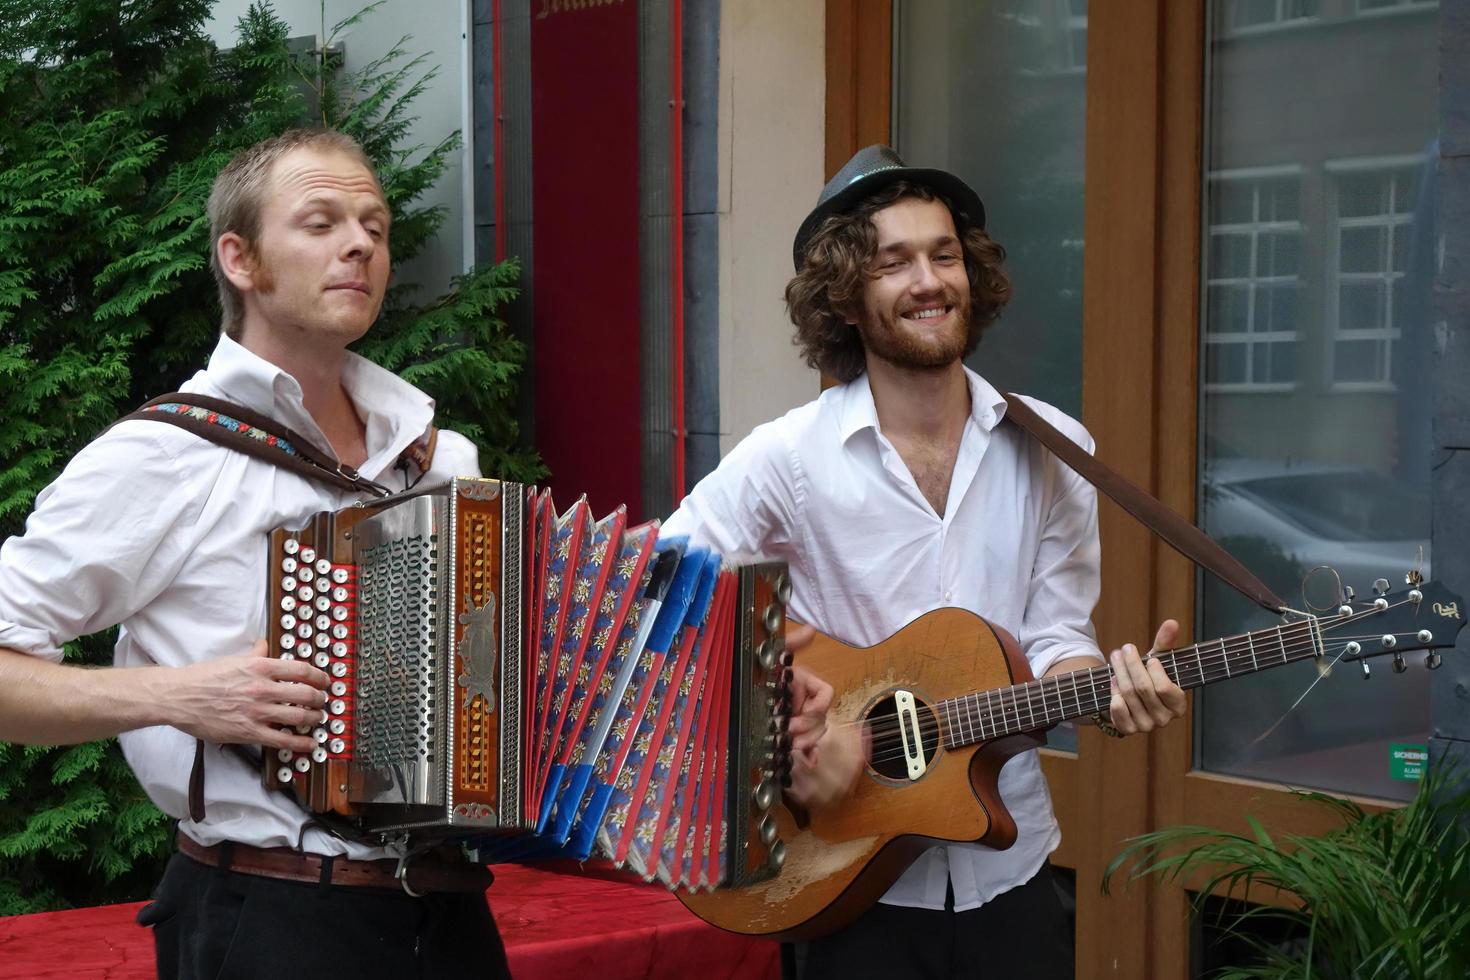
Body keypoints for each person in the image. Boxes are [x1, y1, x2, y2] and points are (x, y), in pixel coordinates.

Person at [660, 145, 1188, 979]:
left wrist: (1109, 691)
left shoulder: (1056, 449)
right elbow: (661, 590)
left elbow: (1053, 632)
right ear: (845, 294)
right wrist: (785, 721)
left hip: (1011, 876)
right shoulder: (787, 461)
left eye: (944, 255)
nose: (929, 280)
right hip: (842, 879)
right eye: (894, 262)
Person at [0, 129, 510, 979]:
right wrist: (180, 696)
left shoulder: (439, 457)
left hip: (451, 913)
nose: (359, 244)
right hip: (272, 919)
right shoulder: (165, 456)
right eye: (321, 221)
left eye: (375, 227)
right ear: (240, 259)